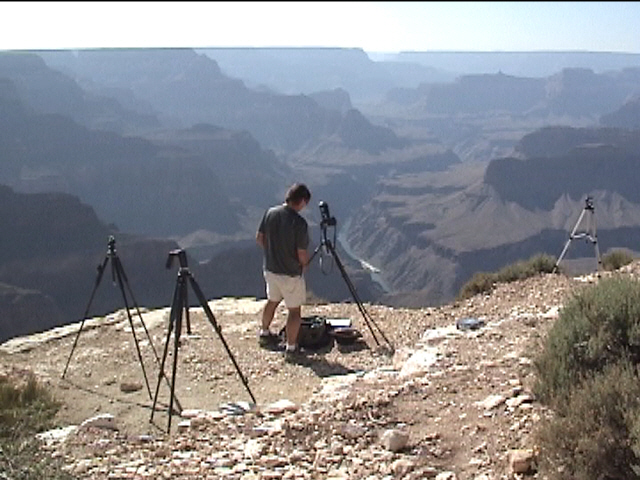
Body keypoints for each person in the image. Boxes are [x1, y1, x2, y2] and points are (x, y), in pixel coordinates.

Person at [256, 182, 312, 361]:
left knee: (272, 301)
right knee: (294, 311)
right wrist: (305, 264)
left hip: (270, 269)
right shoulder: (299, 223)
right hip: (290, 274)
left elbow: (259, 238)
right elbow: (301, 252)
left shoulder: (270, 213)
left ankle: (264, 334)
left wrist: (273, 251)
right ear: (302, 201)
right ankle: (291, 348)